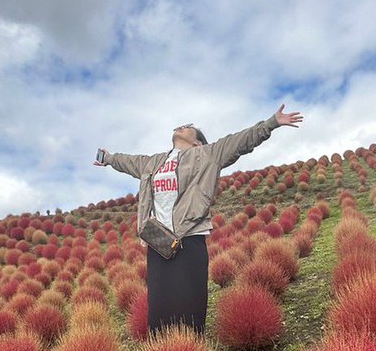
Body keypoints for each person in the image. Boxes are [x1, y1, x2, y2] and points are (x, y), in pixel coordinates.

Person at [96, 104, 303, 335]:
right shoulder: (153, 162)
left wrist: (272, 123)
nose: (182, 126)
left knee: (189, 302)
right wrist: (109, 158)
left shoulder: (206, 155)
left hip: (190, 236)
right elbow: (128, 161)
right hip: (158, 240)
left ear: (197, 143)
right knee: (160, 303)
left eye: (189, 127)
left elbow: (241, 141)